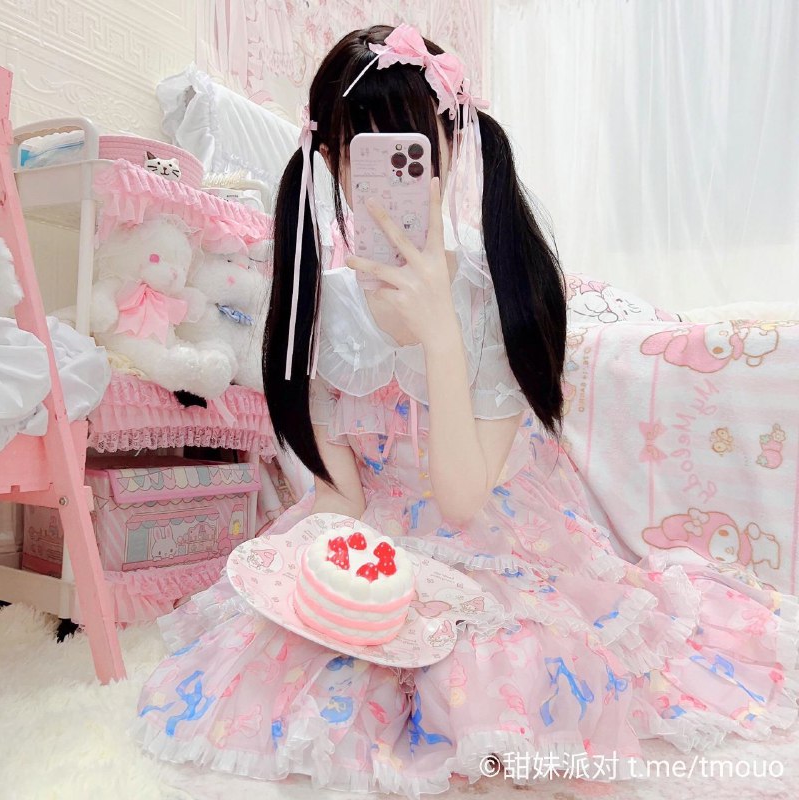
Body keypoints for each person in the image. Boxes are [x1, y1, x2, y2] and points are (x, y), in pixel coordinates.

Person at [134, 24, 799, 796]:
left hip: (496, 526)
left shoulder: (499, 292)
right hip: (378, 530)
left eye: (412, 151)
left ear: (452, 146)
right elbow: (342, 496)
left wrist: (439, 335)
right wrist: (330, 574)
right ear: (332, 161)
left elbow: (461, 499)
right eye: (365, 154)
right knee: (314, 643)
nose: (391, 180)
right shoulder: (323, 306)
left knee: (501, 662)